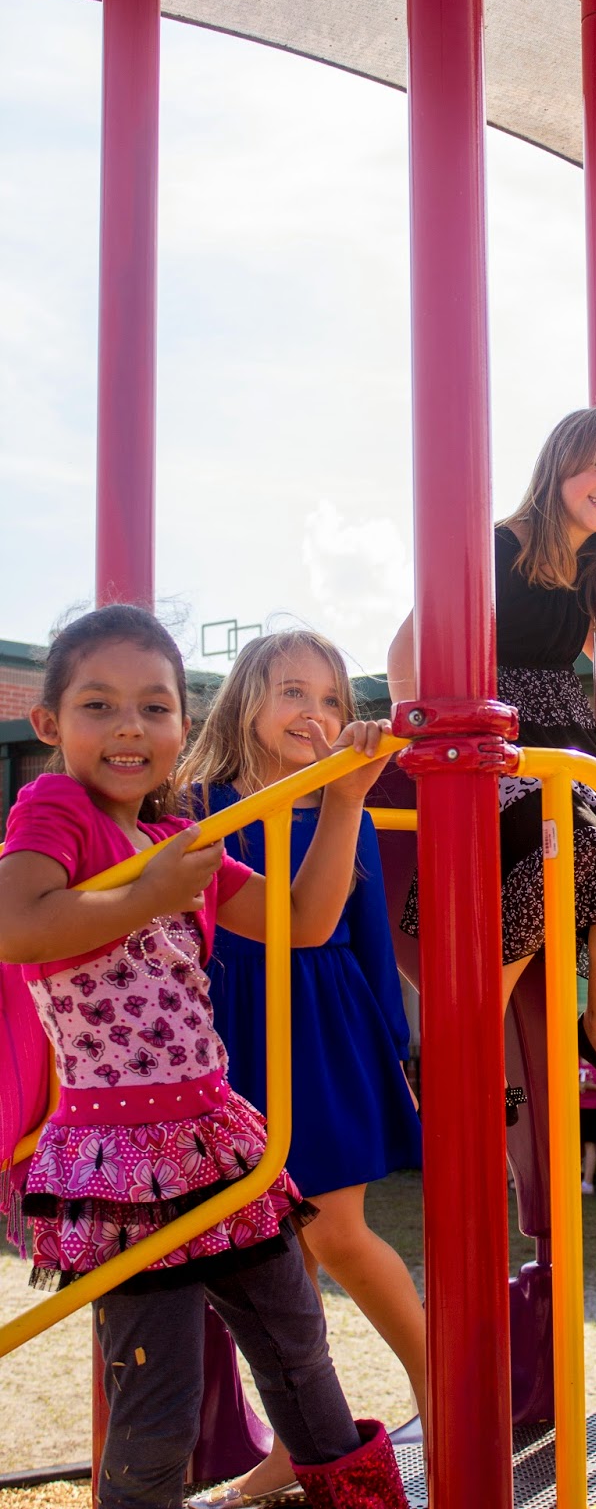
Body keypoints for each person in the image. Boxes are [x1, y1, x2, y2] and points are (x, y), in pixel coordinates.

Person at [0, 605, 409, 1509]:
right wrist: (149, 893)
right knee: (158, 1395)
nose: (129, 729)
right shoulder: (56, 808)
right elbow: (20, 924)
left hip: (215, 1140)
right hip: (123, 1160)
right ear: (49, 724)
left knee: (298, 1351)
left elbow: (304, 922)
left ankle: (358, 1497)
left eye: (153, 708)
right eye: (99, 707)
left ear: (183, 725)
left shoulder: (177, 842)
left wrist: (345, 804)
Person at [178, 631, 425, 1508]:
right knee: (269, 1253)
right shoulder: (200, 799)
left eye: (329, 699)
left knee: (332, 1228)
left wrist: (391, 1045)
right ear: (246, 699)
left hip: (318, 1021)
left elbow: (351, 931)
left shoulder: (335, 802)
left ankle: (447, 1397)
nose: (313, 714)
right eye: (292, 691)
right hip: (229, 1022)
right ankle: (304, 1438)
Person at [387, 406, 596, 1110]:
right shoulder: (498, 549)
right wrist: (423, 747)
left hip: (568, 742)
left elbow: (591, 653)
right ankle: (478, 1030)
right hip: (494, 742)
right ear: (559, 466)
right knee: (564, 834)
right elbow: (407, 647)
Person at [578, 1061, 596, 1195]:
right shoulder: (572, 1061)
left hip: (593, 1108)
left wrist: (589, 1086)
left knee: (590, 1144)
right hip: (575, 1107)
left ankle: (587, 1182)